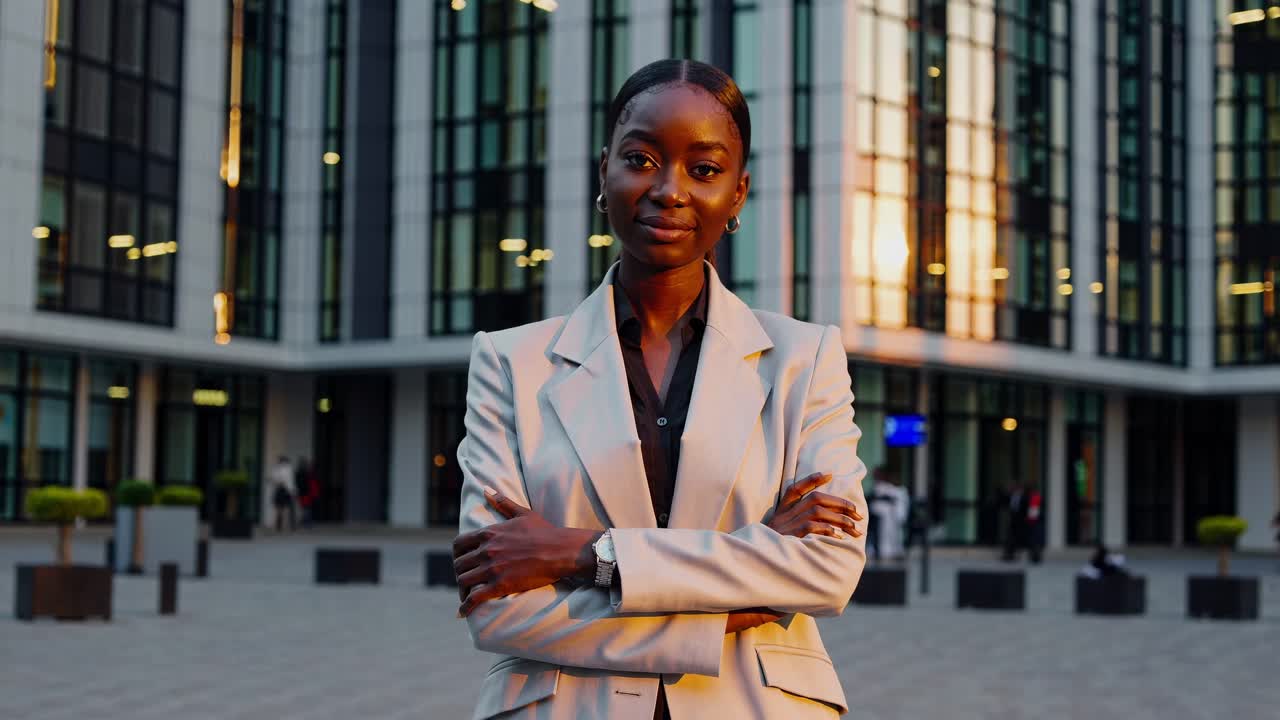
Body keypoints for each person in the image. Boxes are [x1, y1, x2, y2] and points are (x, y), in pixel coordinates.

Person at [451, 60, 869, 720]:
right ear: (604, 172)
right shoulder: (510, 363)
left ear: (738, 192)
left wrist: (583, 554)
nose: (669, 190)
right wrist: (746, 591)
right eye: (641, 160)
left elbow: (827, 569)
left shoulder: (804, 359)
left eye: (704, 169)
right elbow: (497, 607)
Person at [867, 467, 909, 562]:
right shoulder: (877, 487)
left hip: (890, 517)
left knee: (892, 535)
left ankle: (892, 552)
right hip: (879, 517)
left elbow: (899, 503)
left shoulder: (895, 489)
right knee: (881, 537)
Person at [1002, 481, 1043, 563]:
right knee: (1012, 538)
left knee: (1032, 539)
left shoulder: (1031, 497)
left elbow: (1033, 511)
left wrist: (1031, 520)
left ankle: (1035, 556)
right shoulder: (1015, 496)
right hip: (1018, 522)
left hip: (1027, 522)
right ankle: (1009, 555)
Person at [270, 455, 296, 532]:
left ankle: (280, 526)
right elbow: (289, 481)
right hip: (287, 490)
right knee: (287, 509)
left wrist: (276, 481)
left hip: (281, 489)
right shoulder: (288, 468)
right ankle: (286, 526)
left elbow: (276, 479)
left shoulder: (278, 468)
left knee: (280, 509)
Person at [295, 458, 320, 528]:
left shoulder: (298, 473)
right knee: (307, 507)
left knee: (304, 507)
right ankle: (307, 522)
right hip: (307, 493)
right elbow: (311, 484)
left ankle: (305, 521)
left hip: (301, 492)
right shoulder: (308, 474)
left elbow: (297, 483)